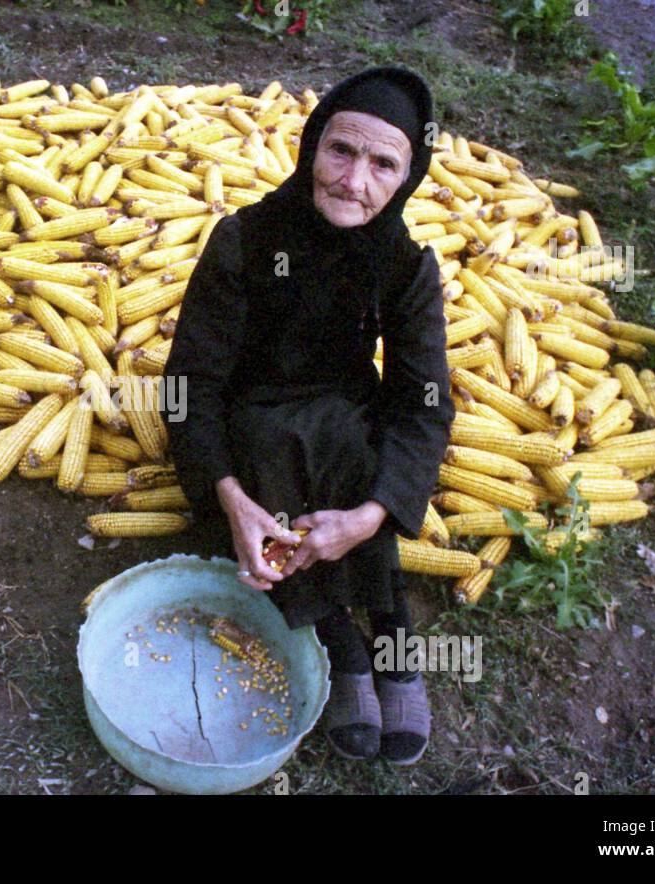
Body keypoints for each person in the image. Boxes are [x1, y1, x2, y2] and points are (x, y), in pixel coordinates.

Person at [159, 66, 454, 765]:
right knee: (275, 442)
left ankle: (390, 628)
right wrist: (227, 497)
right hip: (250, 407)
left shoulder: (407, 267)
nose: (355, 181)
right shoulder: (245, 240)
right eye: (341, 151)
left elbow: (425, 401)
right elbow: (186, 385)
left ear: (408, 177)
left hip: (344, 406)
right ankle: (337, 634)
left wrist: (371, 515)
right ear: (311, 146)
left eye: (384, 164)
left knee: (357, 446)